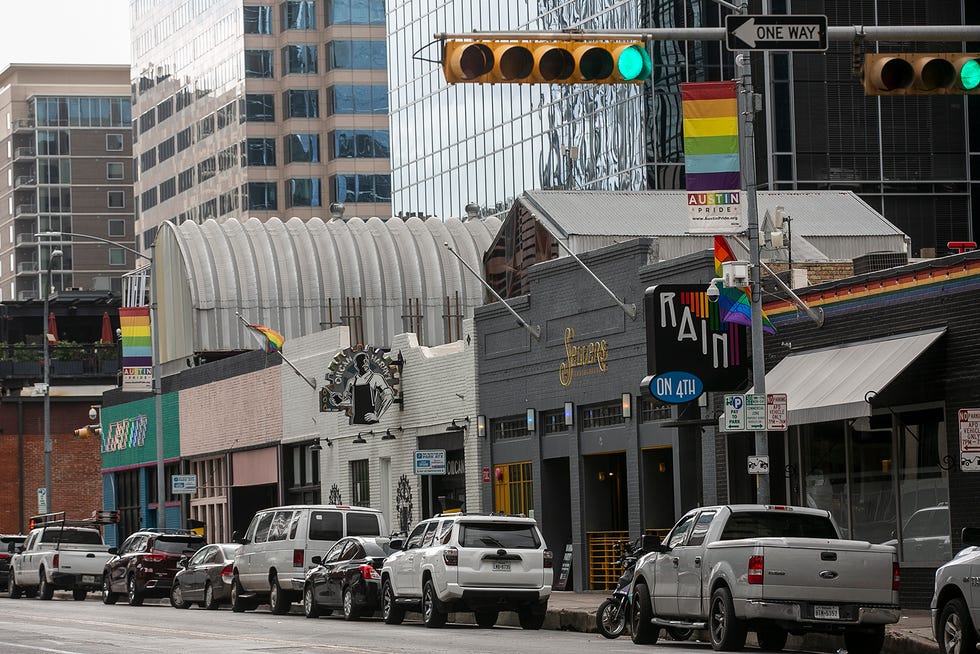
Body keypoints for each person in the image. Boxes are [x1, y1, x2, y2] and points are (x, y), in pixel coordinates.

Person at [331, 353, 394, 424]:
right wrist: (337, 400)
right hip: (356, 420)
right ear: (356, 365)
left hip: (371, 420)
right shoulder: (351, 381)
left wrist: (378, 415)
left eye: (366, 361)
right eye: (362, 361)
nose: (365, 363)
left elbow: (389, 397)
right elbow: (347, 400)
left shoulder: (376, 378)